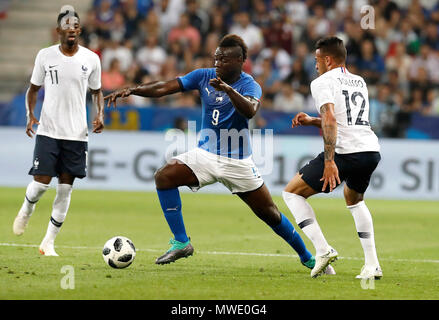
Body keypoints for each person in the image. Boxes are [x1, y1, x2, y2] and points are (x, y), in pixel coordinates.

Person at [105, 34, 334, 274]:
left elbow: (250, 111)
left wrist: (227, 90)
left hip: (237, 162)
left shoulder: (249, 85)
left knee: (270, 214)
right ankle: (182, 242)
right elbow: (166, 87)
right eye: (216, 57)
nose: (217, 63)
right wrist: (133, 90)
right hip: (205, 155)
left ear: (238, 61)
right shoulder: (203, 76)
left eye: (223, 59)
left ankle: (307, 257)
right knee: (164, 176)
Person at [282, 37, 382, 279]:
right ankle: (372, 266)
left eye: (317, 60)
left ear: (327, 60)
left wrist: (329, 162)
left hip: (345, 152)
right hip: (370, 150)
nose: (315, 64)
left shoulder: (322, 82)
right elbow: (343, 119)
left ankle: (323, 250)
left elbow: (330, 119)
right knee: (354, 199)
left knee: (291, 193)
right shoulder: (359, 81)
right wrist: (311, 120)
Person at [12, 5, 105, 256]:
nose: (71, 28)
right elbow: (33, 89)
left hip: (76, 134)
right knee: (41, 184)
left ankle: (48, 242)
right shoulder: (45, 56)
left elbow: (97, 92)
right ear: (58, 31)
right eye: (66, 25)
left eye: (75, 25)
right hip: (49, 130)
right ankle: (27, 208)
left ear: (80, 30)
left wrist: (100, 114)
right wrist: (30, 115)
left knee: (65, 188)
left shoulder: (91, 59)